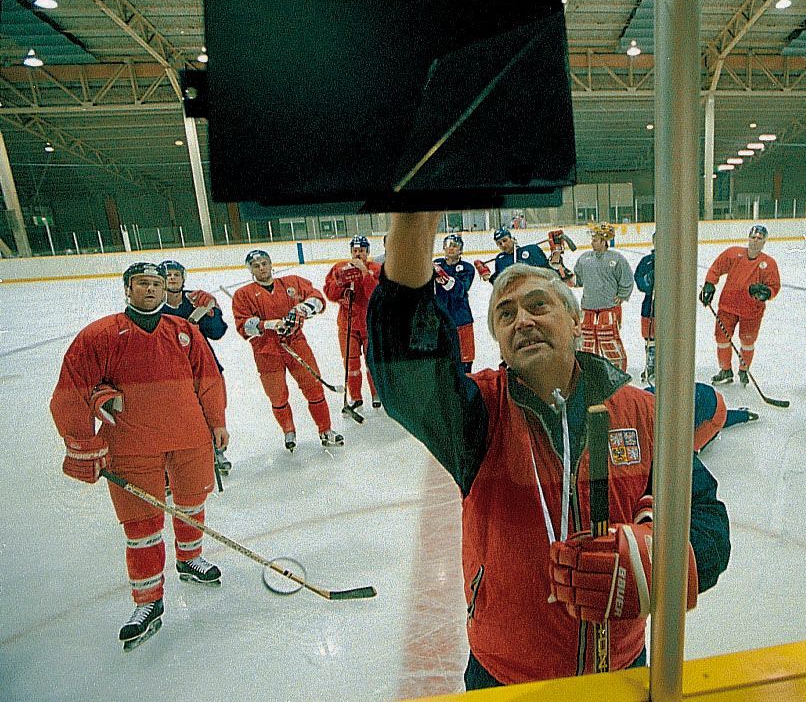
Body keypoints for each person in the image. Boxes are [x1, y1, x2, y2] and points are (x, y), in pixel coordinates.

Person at [368, 212, 730, 689]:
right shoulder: (477, 416)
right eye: (506, 313)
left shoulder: (643, 412)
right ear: (497, 339)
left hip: (621, 668)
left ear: (575, 321)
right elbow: (407, 371)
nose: (523, 319)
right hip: (506, 678)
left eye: (539, 305)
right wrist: (414, 223)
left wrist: (659, 563)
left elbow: (705, 519)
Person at [50, 262, 229, 650]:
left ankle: (189, 559)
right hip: (131, 444)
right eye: (142, 283)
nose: (150, 289)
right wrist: (84, 440)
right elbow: (71, 389)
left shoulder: (184, 331)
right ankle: (148, 601)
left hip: (188, 435)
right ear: (127, 289)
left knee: (191, 502)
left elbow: (209, 379)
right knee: (141, 524)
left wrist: (217, 423)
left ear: (167, 290)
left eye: (156, 284)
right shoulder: (100, 335)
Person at [231, 250, 343, 450]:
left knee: (314, 387)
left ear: (271, 263)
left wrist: (303, 308)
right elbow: (243, 326)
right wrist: (266, 325)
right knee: (277, 395)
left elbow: (317, 298)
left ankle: (325, 430)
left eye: (264, 263)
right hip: (266, 351)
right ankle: (289, 431)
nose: (262, 268)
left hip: (295, 343)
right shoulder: (243, 295)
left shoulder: (291, 283)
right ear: (251, 270)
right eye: (256, 266)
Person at [160, 259, 232, 475]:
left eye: (176, 274)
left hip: (205, 365)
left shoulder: (196, 300)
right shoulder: (152, 305)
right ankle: (174, 462)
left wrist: (212, 312)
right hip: (171, 372)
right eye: (167, 275)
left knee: (214, 409)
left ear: (183, 278)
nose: (172, 278)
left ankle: (217, 450)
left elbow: (217, 332)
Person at [699, 224, 781, 386]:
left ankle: (744, 369)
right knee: (722, 338)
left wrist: (766, 293)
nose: (755, 241)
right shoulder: (733, 254)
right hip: (728, 306)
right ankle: (725, 370)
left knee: (747, 341)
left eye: (759, 239)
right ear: (748, 238)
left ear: (764, 242)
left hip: (751, 311)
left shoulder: (768, 263)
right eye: (753, 237)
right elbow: (716, 268)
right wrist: (709, 284)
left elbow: (774, 286)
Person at [324, 236, 382, 423]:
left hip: (370, 324)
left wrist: (364, 273)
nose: (358, 253)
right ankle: (355, 397)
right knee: (351, 364)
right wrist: (340, 285)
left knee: (372, 362)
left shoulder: (375, 269)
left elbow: (376, 294)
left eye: (362, 250)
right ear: (351, 251)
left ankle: (377, 393)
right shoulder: (339, 267)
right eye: (355, 250)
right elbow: (330, 294)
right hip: (347, 325)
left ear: (367, 252)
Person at [573, 222, 634, 371]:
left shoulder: (617, 259)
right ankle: (589, 371)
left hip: (609, 307)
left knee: (609, 339)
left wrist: (622, 295)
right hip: (588, 307)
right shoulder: (584, 258)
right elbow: (577, 280)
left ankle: (616, 371)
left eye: (595, 239)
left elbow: (627, 279)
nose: (592, 242)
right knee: (586, 342)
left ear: (604, 241)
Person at [644, 382, 758, 454]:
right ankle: (743, 415)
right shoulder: (647, 398)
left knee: (685, 455)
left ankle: (742, 416)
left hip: (712, 409)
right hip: (703, 398)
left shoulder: (670, 419)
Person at [433, 233, 477, 373]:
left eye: (455, 245)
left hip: (461, 318)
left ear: (461, 250)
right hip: (441, 319)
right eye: (448, 245)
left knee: (465, 359)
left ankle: (467, 389)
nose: (451, 248)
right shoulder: (436, 264)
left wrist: (446, 279)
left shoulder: (467, 268)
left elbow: (460, 291)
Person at [483, 227, 550, 282]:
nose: (503, 245)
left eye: (505, 240)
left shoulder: (531, 250)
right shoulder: (500, 259)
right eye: (499, 243)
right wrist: (488, 277)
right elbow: (500, 282)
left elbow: (546, 270)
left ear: (512, 239)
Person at [634, 233, 656, 384]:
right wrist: (648, 280)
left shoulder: (675, 260)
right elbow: (639, 279)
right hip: (650, 305)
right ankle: (651, 364)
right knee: (650, 337)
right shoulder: (647, 261)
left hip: (669, 307)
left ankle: (669, 365)